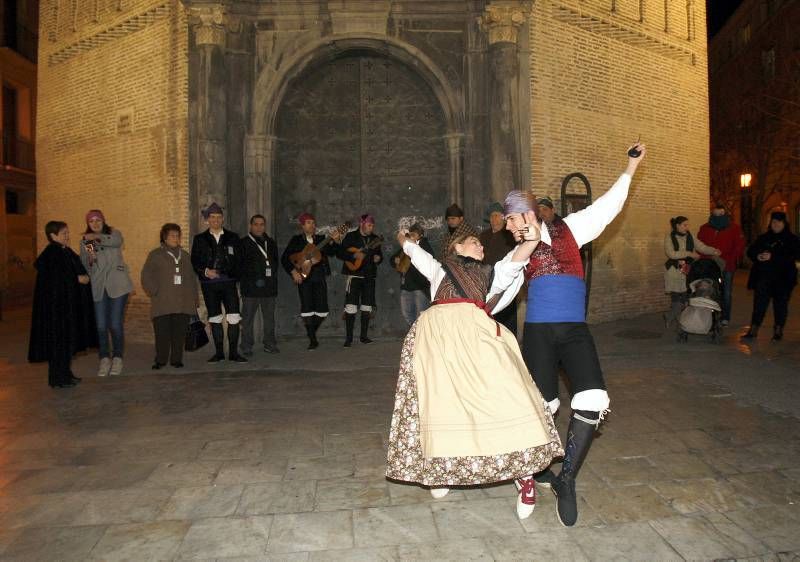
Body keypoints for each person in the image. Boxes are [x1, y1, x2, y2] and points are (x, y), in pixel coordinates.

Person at [508, 143, 646, 527]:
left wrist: (631, 165)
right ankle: (536, 471)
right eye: (507, 221)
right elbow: (496, 287)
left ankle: (566, 479)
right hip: (537, 334)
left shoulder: (571, 229)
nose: (509, 225)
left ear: (530, 214)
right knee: (543, 406)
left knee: (592, 397)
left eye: (514, 217)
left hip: (573, 330)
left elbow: (608, 205)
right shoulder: (518, 252)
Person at [386, 221, 563, 521]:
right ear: (455, 247)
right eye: (472, 242)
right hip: (438, 340)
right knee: (442, 407)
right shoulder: (439, 269)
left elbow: (515, 261)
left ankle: (524, 474)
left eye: (481, 243)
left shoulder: (489, 273)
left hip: (477, 336)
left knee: (508, 397)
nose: (480, 246)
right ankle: (440, 472)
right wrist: (403, 239)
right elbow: (415, 253)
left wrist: (531, 241)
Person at [29, 221, 97, 388]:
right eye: (64, 233)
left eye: (68, 232)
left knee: (67, 343)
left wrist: (89, 247)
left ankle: (66, 374)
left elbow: (85, 263)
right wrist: (77, 279)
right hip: (56, 311)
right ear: (53, 236)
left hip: (67, 308)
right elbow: (55, 280)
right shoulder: (51, 254)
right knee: (58, 344)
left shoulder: (64, 251)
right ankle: (58, 379)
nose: (67, 236)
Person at [79, 210, 134, 377]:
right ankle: (104, 358)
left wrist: (96, 238)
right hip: (99, 285)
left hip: (118, 285)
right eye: (92, 221)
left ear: (103, 221)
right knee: (101, 325)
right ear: (88, 224)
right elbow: (87, 264)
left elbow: (116, 242)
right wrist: (90, 259)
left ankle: (117, 357)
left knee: (115, 324)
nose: (95, 224)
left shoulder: (113, 234)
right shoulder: (86, 242)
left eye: (98, 220)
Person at [190, 202, 247, 363]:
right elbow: (195, 260)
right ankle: (219, 353)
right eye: (212, 217)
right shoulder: (200, 239)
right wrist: (206, 271)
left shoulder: (233, 237)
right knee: (214, 317)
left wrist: (232, 274)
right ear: (207, 220)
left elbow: (240, 260)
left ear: (222, 219)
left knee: (234, 317)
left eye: (218, 217)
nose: (216, 220)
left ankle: (234, 353)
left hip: (229, 283)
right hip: (209, 285)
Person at [280, 213, 343, 350]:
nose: (312, 225)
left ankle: (311, 332)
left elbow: (333, 252)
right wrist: (293, 271)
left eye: (313, 223)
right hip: (304, 277)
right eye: (308, 223)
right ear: (302, 226)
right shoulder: (296, 240)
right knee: (307, 308)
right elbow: (285, 259)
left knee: (322, 310)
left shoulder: (321, 239)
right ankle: (313, 340)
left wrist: (336, 241)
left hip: (319, 277)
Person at [141, 223, 199, 369]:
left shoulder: (185, 255)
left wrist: (194, 298)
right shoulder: (155, 254)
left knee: (179, 334)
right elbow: (146, 275)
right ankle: (160, 360)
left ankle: (176, 359)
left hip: (183, 301)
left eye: (178, 235)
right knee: (162, 333)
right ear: (164, 237)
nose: (176, 238)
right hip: (163, 301)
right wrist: (153, 291)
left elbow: (192, 277)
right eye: (172, 235)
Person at [742, 211, 800, 341]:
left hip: (784, 279)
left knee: (780, 305)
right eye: (774, 222)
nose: (776, 224)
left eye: (779, 222)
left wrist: (773, 257)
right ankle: (754, 329)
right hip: (764, 278)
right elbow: (751, 250)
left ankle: (778, 330)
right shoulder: (764, 237)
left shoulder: (792, 239)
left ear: (784, 223)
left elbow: (794, 255)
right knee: (759, 305)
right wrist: (758, 256)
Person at [663, 216, 721, 329]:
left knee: (686, 297)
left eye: (687, 225)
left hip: (687, 271)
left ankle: (672, 317)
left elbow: (701, 247)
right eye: (684, 225)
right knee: (676, 297)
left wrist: (713, 250)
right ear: (677, 226)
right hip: (673, 271)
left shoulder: (690, 236)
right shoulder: (669, 237)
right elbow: (671, 254)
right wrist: (689, 254)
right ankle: (678, 321)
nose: (687, 227)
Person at [339, 214, 383, 346]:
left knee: (366, 307)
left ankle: (364, 336)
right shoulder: (351, 236)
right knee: (351, 307)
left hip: (369, 276)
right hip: (354, 275)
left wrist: (378, 258)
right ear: (362, 224)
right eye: (369, 225)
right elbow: (340, 253)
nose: (371, 227)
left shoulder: (375, 239)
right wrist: (354, 255)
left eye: (372, 225)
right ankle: (349, 339)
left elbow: (379, 255)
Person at [697, 204, 745, 326]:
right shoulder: (704, 228)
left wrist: (730, 259)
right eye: (716, 214)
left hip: (727, 265)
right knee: (708, 290)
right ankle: (708, 316)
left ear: (725, 214)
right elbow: (699, 245)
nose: (718, 216)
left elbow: (739, 246)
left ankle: (725, 317)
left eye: (721, 214)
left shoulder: (734, 228)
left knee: (726, 292)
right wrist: (706, 257)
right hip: (709, 265)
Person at [239, 214, 280, 356]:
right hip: (250, 289)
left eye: (261, 224)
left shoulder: (271, 242)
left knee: (269, 319)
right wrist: (254, 278)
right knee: (248, 319)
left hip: (269, 289)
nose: (259, 227)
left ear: (265, 226)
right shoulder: (243, 243)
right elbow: (240, 266)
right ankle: (246, 345)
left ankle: (269, 344)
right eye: (256, 224)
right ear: (250, 226)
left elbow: (275, 264)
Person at [480, 202, 518, 334]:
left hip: (505, 281)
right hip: (486, 281)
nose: (493, 219)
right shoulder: (483, 236)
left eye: (497, 216)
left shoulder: (510, 235)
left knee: (506, 317)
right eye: (491, 216)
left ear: (503, 218)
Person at [392, 222, 433, 326]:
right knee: (407, 314)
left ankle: (420, 338)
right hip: (406, 286)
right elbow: (392, 258)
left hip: (420, 287)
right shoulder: (407, 246)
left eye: (414, 235)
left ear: (420, 236)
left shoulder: (425, 248)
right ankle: (414, 337)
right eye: (410, 234)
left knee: (422, 316)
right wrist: (395, 260)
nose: (411, 237)